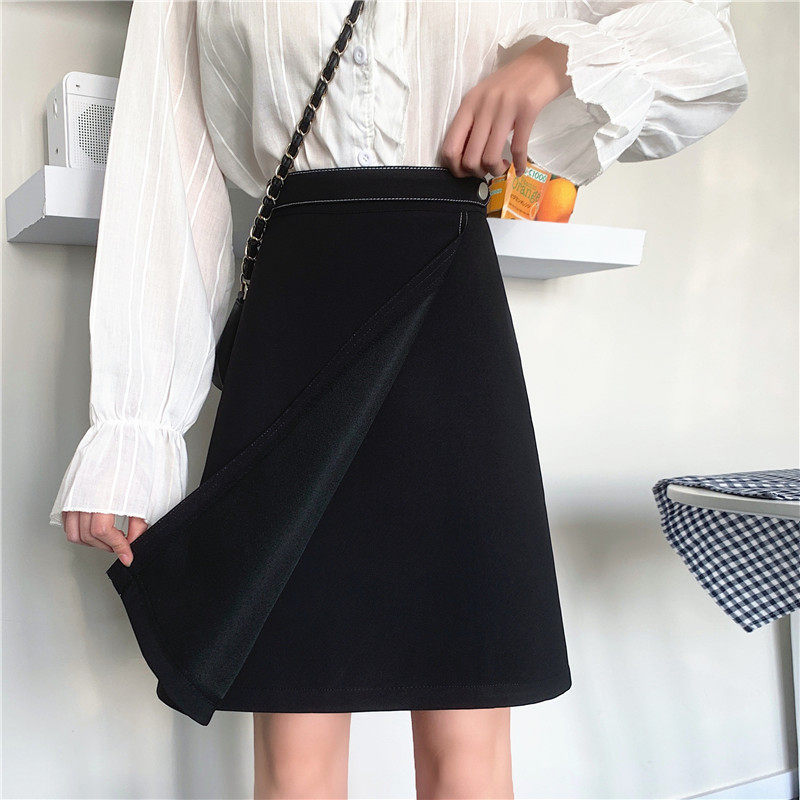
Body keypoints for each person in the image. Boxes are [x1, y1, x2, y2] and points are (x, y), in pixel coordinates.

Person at [49, 1, 747, 797]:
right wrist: (133, 431)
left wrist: (556, 59)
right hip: (298, 331)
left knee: (467, 734)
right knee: (297, 740)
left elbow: (705, 51)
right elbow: (167, 164)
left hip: (448, 321)